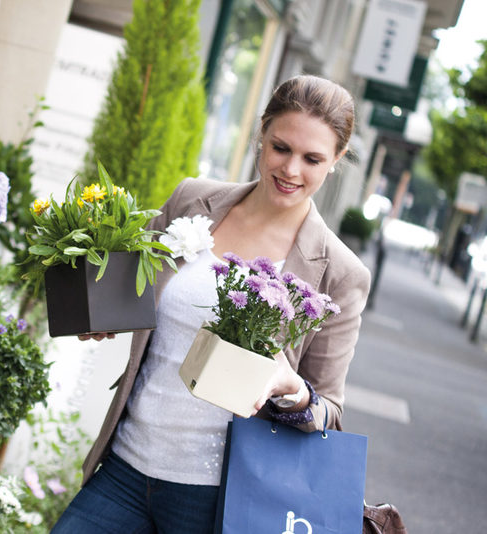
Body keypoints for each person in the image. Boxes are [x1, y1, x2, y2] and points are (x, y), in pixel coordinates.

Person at [51, 75, 372, 533]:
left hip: (218, 499)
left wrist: (291, 388)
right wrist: (99, 311)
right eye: (281, 148)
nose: (291, 170)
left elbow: (330, 413)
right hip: (124, 466)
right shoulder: (191, 199)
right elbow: (138, 291)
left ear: (336, 160)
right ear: (262, 132)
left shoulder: (339, 272)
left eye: (313, 158)